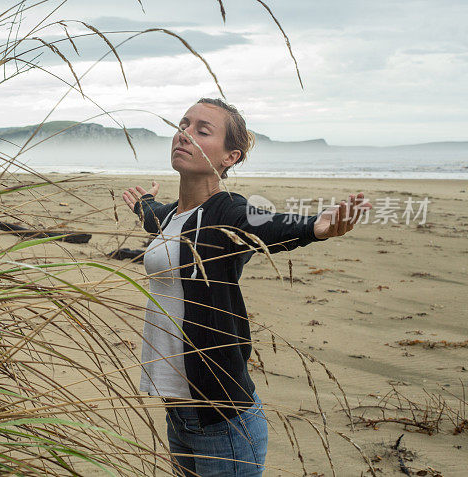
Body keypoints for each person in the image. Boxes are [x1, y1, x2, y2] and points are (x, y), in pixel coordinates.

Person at [120, 98, 371, 476]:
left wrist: (313, 228)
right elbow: (155, 220)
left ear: (229, 157)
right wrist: (145, 203)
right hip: (178, 412)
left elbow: (264, 224)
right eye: (183, 124)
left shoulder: (226, 212)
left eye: (202, 130)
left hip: (223, 420)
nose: (183, 133)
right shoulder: (172, 214)